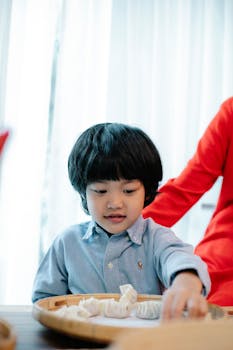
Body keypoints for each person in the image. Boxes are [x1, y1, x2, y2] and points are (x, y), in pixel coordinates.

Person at [32, 122, 210, 320]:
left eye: (129, 191)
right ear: (83, 192)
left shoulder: (157, 238)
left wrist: (186, 282)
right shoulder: (67, 243)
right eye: (100, 191)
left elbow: (179, 258)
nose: (115, 203)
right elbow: (44, 302)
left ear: (147, 192)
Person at [143, 97, 233, 307]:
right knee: (195, 305)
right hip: (224, 252)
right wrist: (127, 228)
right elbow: (186, 187)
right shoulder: (230, 113)